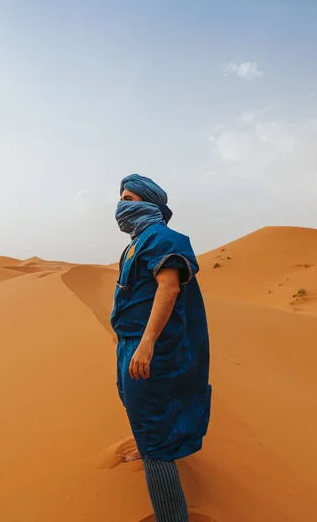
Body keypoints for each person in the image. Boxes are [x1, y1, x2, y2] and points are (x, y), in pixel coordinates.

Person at [111, 173, 212, 522]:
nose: (122, 204)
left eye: (130, 198)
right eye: (121, 197)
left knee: (156, 432)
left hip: (153, 349)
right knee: (132, 401)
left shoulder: (163, 237)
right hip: (131, 345)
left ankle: (172, 515)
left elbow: (168, 288)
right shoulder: (136, 242)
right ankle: (147, 443)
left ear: (151, 202)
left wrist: (147, 343)